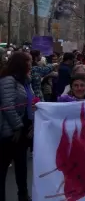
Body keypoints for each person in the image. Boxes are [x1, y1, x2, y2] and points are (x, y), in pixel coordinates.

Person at [0, 51, 34, 201]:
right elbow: (8, 106)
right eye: (29, 61)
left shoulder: (25, 80)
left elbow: (29, 101)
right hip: (9, 133)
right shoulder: (8, 80)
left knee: (22, 167)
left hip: (23, 131)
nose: (31, 64)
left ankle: (23, 195)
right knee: (2, 169)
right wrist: (18, 126)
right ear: (21, 63)